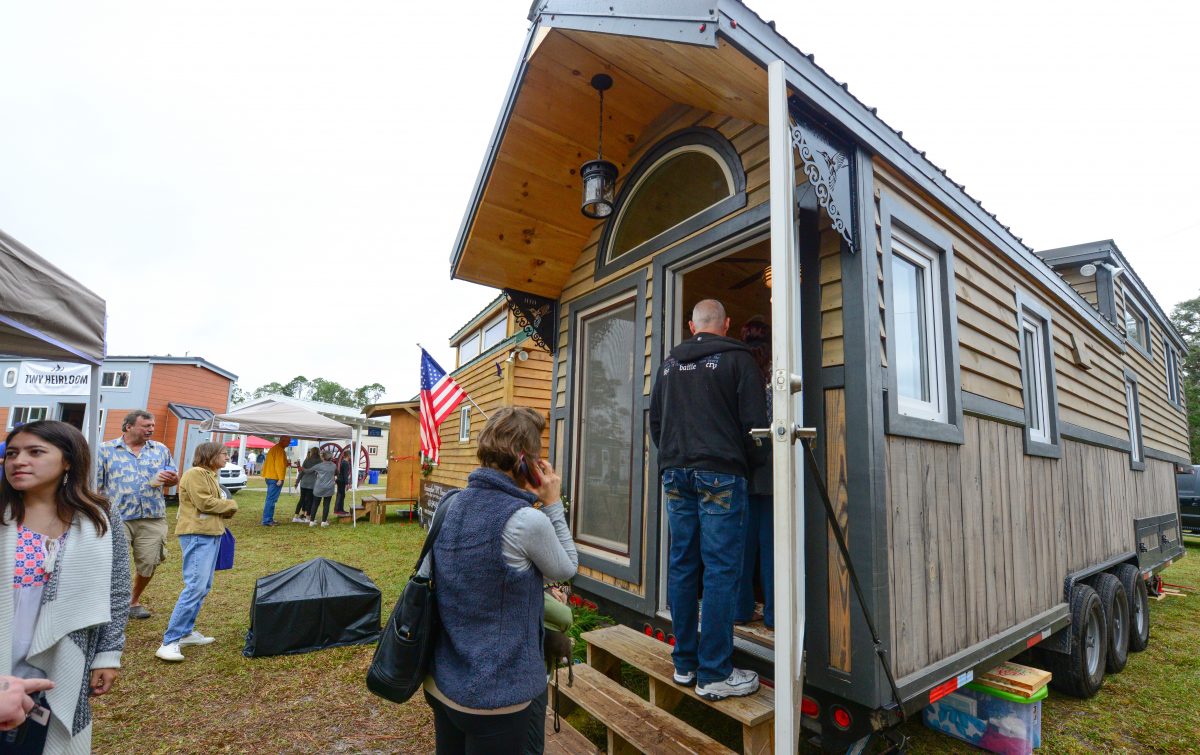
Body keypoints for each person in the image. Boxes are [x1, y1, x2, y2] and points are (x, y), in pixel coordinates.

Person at [424, 407, 577, 754]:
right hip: (498, 696)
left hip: (443, 681)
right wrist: (553, 504)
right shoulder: (525, 521)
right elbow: (566, 568)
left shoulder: (449, 503)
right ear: (525, 461)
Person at [649, 298, 768, 701]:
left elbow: (656, 424)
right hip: (721, 472)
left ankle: (685, 663)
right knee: (720, 569)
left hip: (675, 472)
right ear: (727, 323)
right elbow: (757, 427)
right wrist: (751, 465)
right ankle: (715, 672)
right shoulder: (739, 361)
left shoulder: (668, 366)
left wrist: (673, 461)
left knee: (683, 563)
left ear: (691, 325)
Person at [2, 420, 131, 753]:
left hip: (61, 660)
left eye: (35, 452)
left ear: (69, 460)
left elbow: (116, 592)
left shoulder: (99, 516)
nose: (18, 461)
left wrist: (108, 654)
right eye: (12, 453)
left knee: (39, 742)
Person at [155, 442, 238, 662]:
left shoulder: (210, 475)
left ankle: (186, 633)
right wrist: (231, 505)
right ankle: (170, 641)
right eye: (223, 453)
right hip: (197, 535)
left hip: (210, 534)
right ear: (210, 455)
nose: (227, 456)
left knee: (203, 586)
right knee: (195, 586)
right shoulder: (195, 474)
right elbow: (205, 503)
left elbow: (215, 504)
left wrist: (225, 506)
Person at [96, 410, 178, 619]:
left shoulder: (160, 449)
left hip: (152, 515)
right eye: (146, 426)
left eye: (152, 426)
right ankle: (110, 603)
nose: (151, 429)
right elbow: (94, 485)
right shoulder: (105, 450)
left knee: (150, 561)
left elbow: (173, 477)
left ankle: (133, 601)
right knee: (114, 563)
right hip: (116, 517)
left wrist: (170, 479)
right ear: (128, 426)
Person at [734, 317, 775, 630]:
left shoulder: (738, 373)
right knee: (773, 547)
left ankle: (740, 609)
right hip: (774, 470)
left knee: (742, 546)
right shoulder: (776, 375)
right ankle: (774, 615)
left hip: (741, 469)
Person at [260, 436, 291, 526]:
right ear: (283, 441)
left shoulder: (275, 448)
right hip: (275, 478)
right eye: (288, 441)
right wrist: (280, 479)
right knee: (271, 500)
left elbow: (276, 463)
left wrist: (286, 463)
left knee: (270, 499)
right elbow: (279, 465)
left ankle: (269, 519)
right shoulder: (280, 450)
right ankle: (267, 520)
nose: (289, 443)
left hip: (270, 476)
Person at [307, 450, 337, 527]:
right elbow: (337, 473)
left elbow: (308, 471)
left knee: (315, 504)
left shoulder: (319, 466)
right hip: (329, 488)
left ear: (323, 457)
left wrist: (300, 467)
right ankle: (324, 522)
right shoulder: (334, 465)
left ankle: (311, 521)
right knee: (326, 504)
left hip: (319, 488)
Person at [292, 447, 320, 524]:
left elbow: (302, 472)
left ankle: (295, 516)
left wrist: (297, 482)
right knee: (310, 500)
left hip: (303, 482)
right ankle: (307, 517)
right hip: (312, 483)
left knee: (301, 500)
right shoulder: (319, 461)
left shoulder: (307, 460)